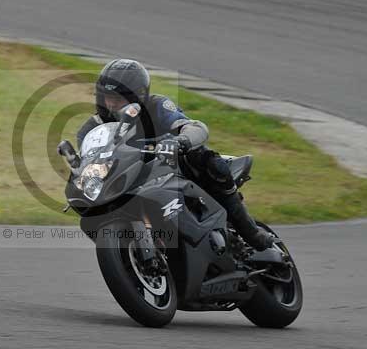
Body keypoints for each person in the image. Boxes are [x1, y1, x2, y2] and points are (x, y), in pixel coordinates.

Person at [77, 58, 275, 251]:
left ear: (139, 96)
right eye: (106, 97)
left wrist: (178, 141)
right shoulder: (91, 128)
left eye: (118, 99)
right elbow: (87, 160)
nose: (111, 104)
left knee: (207, 160)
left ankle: (250, 231)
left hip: (170, 168)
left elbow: (193, 127)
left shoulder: (157, 106)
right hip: (128, 179)